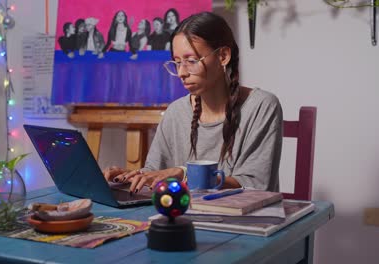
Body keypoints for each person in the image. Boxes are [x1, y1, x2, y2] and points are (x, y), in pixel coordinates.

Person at [103, 12, 283, 193]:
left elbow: (256, 185)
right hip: (184, 216)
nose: (181, 72)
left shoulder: (261, 106)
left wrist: (184, 174)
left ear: (223, 56)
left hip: (241, 219)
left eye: (191, 61)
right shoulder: (176, 112)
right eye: (177, 62)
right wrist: (131, 177)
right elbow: (156, 173)